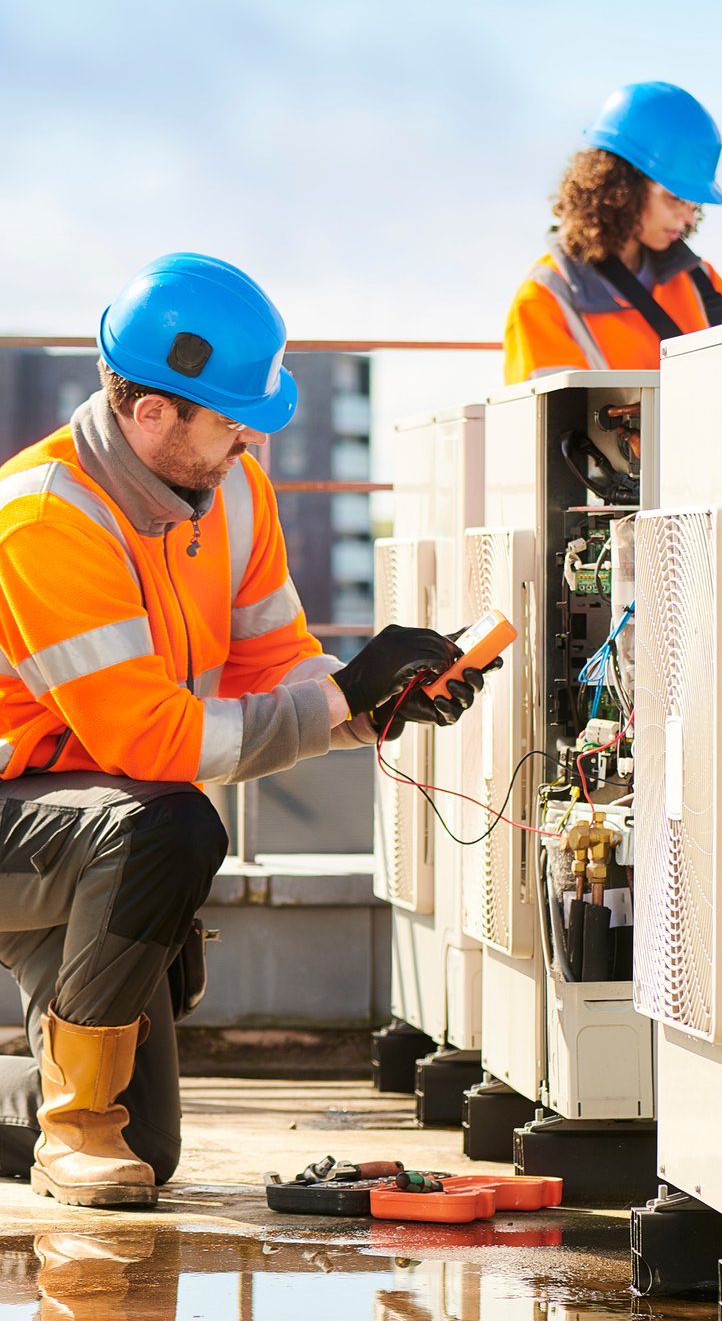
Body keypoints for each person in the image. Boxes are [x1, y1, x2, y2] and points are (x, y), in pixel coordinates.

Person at [0, 253, 481, 1208]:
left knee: (156, 1151)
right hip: (33, 823)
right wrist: (340, 699)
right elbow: (148, 740)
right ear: (151, 415)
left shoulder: (233, 494)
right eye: (233, 421)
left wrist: (371, 703)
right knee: (173, 825)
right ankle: (74, 1128)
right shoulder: (47, 520)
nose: (251, 443)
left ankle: (78, 1105)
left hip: (100, 822)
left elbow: (277, 667)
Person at [502, 81, 722, 384]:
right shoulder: (543, 300)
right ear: (621, 188)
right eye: (674, 198)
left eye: (694, 203)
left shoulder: (703, 282)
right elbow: (553, 426)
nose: (688, 217)